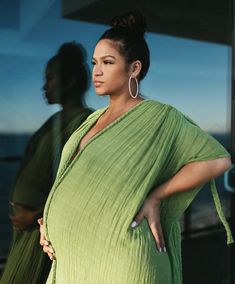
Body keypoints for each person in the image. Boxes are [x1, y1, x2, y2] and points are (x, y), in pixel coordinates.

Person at [39, 11, 233, 284]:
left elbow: (217, 160)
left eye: (108, 62)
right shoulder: (91, 121)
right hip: (76, 259)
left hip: (124, 262)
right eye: (94, 62)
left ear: (134, 69)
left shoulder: (160, 116)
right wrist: (48, 223)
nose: (96, 71)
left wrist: (156, 196)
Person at [0, 42, 93, 284]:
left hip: (42, 229)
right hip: (27, 229)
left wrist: (35, 214)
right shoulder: (55, 121)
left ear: (70, 81)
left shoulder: (85, 123)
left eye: (50, 79)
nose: (44, 86)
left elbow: (81, 186)